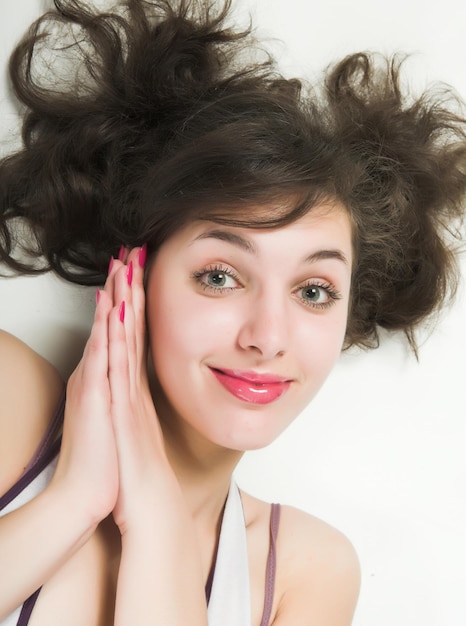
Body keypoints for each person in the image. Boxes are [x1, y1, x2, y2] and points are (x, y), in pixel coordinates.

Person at [0, 0, 465, 624]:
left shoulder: (307, 570)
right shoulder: (11, 399)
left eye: (314, 291)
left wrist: (157, 524)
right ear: (134, 270)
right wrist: (74, 501)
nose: (269, 338)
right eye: (219, 276)